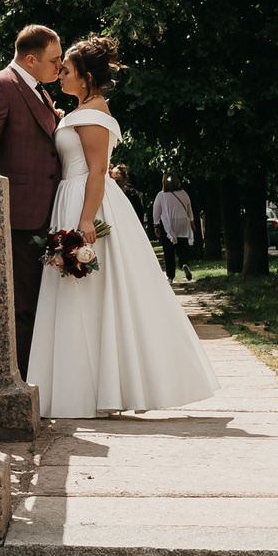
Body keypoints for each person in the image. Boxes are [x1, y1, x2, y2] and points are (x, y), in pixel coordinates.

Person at [28, 37, 219, 417]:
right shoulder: (81, 110)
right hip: (71, 199)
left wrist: (85, 221)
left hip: (87, 203)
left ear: (84, 77)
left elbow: (98, 171)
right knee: (79, 294)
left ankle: (96, 389)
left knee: (92, 293)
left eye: (65, 69)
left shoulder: (95, 115)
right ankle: (81, 386)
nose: (59, 73)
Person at [0, 24, 64, 373]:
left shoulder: (41, 91)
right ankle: (21, 384)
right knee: (23, 307)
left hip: (46, 213)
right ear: (30, 59)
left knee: (39, 305)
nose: (60, 65)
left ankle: (39, 381)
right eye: (55, 60)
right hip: (18, 216)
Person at [151, 177, 197, 280]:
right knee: (182, 247)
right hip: (182, 223)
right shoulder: (184, 193)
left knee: (168, 250)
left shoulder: (161, 195)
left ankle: (170, 276)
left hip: (168, 224)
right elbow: (189, 210)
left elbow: (156, 211)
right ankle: (184, 263)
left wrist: (156, 225)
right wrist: (192, 222)